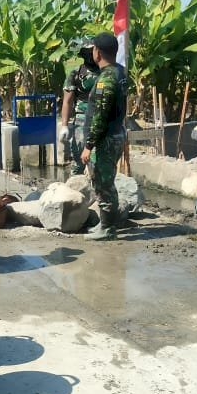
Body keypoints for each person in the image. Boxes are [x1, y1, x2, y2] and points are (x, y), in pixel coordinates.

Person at [81, 32, 128, 241]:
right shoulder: (121, 72)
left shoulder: (106, 79)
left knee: (103, 182)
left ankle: (108, 228)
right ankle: (106, 223)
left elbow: (100, 115)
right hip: (116, 134)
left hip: (105, 139)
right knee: (106, 180)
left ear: (97, 52)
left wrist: (89, 145)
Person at [59, 40, 99, 175]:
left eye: (91, 51)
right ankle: (75, 189)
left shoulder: (105, 72)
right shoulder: (76, 73)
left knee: (97, 160)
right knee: (78, 159)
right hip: (81, 117)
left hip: (101, 117)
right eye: (86, 52)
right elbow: (67, 101)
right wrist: (64, 125)